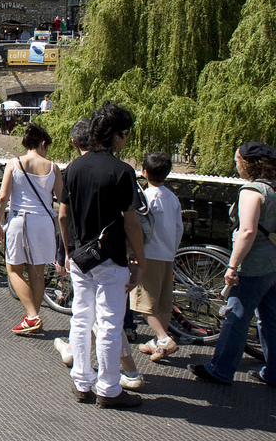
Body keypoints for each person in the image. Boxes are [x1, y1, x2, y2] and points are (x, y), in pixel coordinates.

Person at [58, 101, 145, 409]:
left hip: (81, 256)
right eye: (125, 134)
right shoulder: (122, 172)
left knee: (81, 318)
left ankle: (81, 382)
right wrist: (140, 260)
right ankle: (109, 388)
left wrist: (66, 251)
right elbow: (131, 223)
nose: (126, 140)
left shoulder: (73, 169)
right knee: (109, 322)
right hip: (109, 256)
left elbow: (64, 216)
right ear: (116, 135)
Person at [190, 141, 276, 386]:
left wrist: (232, 267)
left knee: (236, 317)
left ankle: (220, 369)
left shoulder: (252, 191)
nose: (235, 164)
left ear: (249, 163)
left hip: (253, 265)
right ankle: (273, 372)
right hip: (273, 263)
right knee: (271, 320)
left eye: (237, 159)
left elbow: (247, 231)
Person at [0, 123, 63, 334]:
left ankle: (32, 316)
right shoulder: (53, 167)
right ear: (43, 144)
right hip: (44, 221)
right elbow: (62, 200)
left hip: (20, 221)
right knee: (37, 273)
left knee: (14, 269)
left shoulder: (14, 163)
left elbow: (3, 196)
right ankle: (32, 316)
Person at [132, 152, 183, 362]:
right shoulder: (172, 198)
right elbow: (179, 227)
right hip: (167, 254)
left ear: (144, 172)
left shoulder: (146, 198)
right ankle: (157, 344)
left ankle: (163, 338)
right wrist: (172, 248)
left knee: (143, 301)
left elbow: (139, 228)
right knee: (163, 302)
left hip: (149, 254)